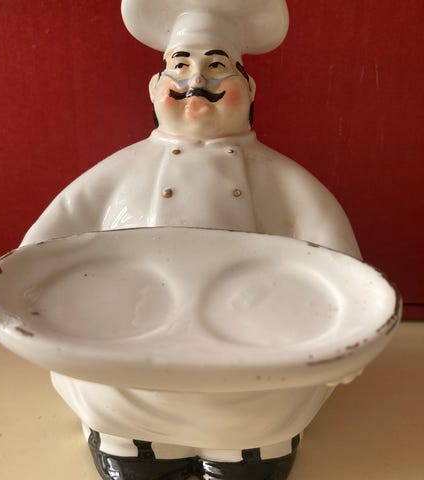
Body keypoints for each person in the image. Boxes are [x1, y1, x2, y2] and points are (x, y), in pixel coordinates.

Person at [21, 1, 361, 479]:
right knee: (123, 406)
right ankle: (134, 445)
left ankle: (250, 449)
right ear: (154, 87)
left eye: (217, 65)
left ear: (250, 88)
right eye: (180, 65)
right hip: (128, 352)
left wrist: (352, 337)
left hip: (253, 357)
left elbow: (339, 265)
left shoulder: (283, 180)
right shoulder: (119, 173)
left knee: (256, 416)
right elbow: (40, 252)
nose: (196, 79)